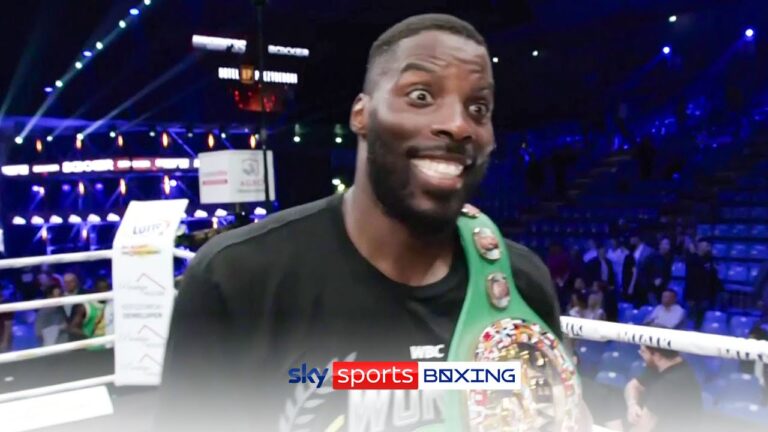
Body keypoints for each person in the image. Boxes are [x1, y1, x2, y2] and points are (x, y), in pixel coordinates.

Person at [156, 14, 589, 432]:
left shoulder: (521, 281)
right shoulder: (237, 281)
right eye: (421, 96)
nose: (458, 125)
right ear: (361, 114)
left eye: (478, 107)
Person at [624, 345, 701, 432]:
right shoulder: (661, 366)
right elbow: (632, 386)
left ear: (657, 355)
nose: (641, 355)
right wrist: (632, 405)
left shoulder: (671, 383)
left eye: (643, 352)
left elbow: (643, 428)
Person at [685, 238, 722, 327]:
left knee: (701, 319)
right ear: (700, 246)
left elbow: (714, 276)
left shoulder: (710, 259)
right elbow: (691, 278)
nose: (707, 248)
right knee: (690, 319)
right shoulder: (692, 258)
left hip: (706, 294)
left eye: (708, 246)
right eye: (706, 245)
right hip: (693, 294)